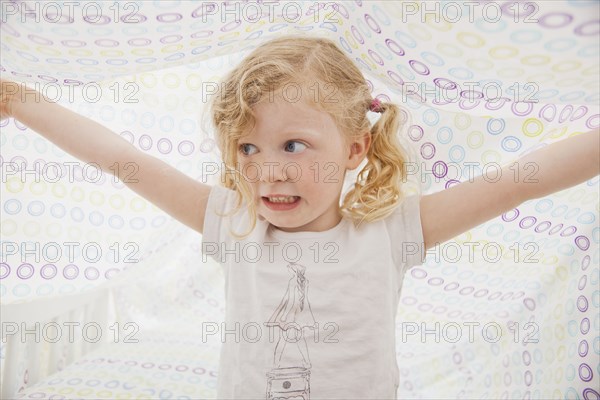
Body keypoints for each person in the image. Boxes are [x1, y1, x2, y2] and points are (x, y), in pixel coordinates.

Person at [1, 34, 598, 400]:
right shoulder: (232, 224)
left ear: (355, 150)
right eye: (247, 148)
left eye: (294, 146)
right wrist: (17, 100)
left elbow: (526, 180)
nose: (268, 171)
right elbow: (121, 160)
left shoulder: (392, 232)